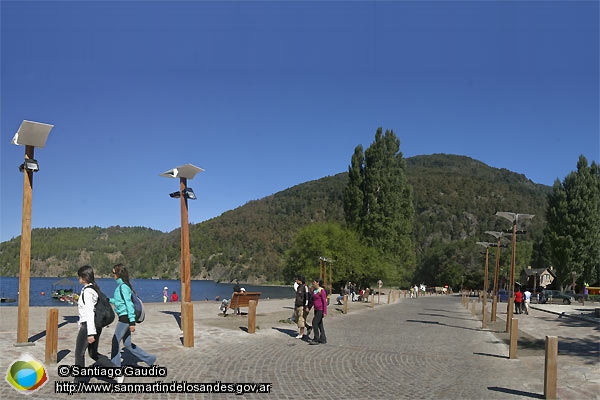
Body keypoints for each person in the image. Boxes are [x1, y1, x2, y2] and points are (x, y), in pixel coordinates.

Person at [75, 265, 122, 383]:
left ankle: (79, 381)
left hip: (89, 327)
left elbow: (90, 313)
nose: (78, 279)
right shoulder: (94, 289)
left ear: (84, 277)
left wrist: (90, 333)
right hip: (95, 326)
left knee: (79, 353)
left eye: (79, 276)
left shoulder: (88, 291)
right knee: (93, 353)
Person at [110, 264, 156, 367]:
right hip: (125, 318)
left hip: (125, 319)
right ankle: (150, 358)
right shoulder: (121, 286)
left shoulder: (123, 287)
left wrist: (132, 322)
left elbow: (129, 305)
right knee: (127, 344)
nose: (112, 275)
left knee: (115, 342)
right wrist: (108, 300)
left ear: (118, 274)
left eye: (113, 273)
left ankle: (115, 368)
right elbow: (119, 301)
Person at [307, 278, 327, 345]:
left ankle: (316, 339)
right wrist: (309, 308)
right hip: (316, 309)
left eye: (314, 282)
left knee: (314, 323)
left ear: (318, 282)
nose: (313, 283)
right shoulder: (314, 291)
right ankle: (323, 339)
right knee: (320, 324)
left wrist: (325, 312)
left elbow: (324, 302)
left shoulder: (322, 291)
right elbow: (312, 301)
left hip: (320, 310)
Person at [293, 275, 311, 339]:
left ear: (300, 280)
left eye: (297, 280)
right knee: (296, 319)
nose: (296, 281)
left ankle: (301, 334)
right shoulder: (298, 287)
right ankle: (308, 327)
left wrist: (306, 306)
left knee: (301, 320)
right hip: (297, 305)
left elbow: (307, 297)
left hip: (302, 306)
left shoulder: (305, 287)